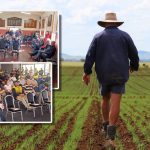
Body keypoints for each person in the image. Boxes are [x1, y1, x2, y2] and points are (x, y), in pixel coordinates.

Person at [82, 12, 139, 148]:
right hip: (120, 74)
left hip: (104, 74)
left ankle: (105, 125)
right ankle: (111, 135)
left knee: (105, 99)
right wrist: (134, 66)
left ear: (105, 23)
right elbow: (134, 54)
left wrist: (87, 72)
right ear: (116, 23)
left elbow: (90, 56)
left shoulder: (98, 37)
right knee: (116, 101)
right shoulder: (125, 36)